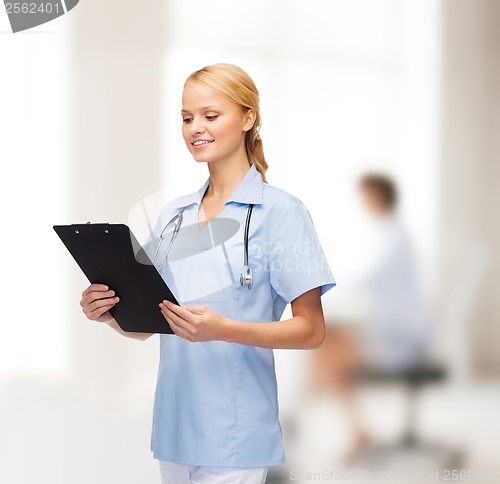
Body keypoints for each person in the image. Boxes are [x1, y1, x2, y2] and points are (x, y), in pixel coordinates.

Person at [79, 63, 336, 484]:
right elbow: (151, 324)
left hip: (235, 431)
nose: (195, 127)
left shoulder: (281, 213)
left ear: (248, 118)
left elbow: (311, 330)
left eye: (210, 116)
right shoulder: (174, 216)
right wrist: (110, 314)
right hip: (176, 426)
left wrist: (223, 329)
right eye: (186, 118)